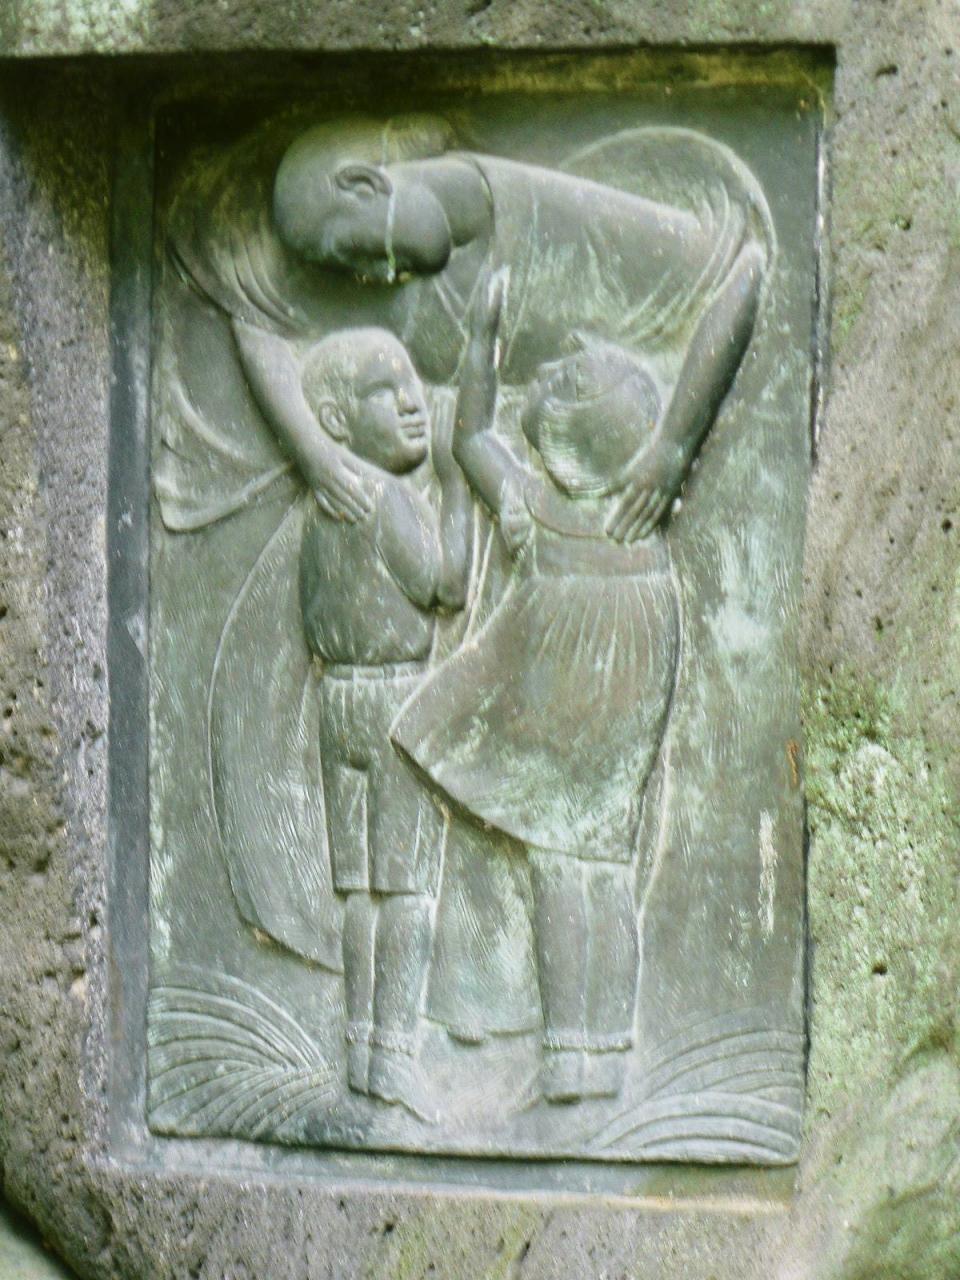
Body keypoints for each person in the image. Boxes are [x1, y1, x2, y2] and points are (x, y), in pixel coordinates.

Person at [393, 251, 763, 1101]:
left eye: (563, 383)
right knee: (602, 866)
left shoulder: (541, 506)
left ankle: (570, 1061)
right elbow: (740, 287)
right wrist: (674, 445)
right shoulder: (643, 501)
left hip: (567, 693)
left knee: (563, 866)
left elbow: (471, 439)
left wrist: (481, 342)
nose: (549, 378)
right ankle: (604, 1051)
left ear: (574, 435)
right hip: (632, 679)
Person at [296, 326, 472, 1115]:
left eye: (413, 384)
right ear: (338, 420)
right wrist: (458, 486)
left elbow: (312, 615)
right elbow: (447, 585)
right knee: (406, 891)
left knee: (361, 891)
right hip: (395, 703)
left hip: (339, 703)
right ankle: (395, 1057)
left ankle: (360, 1050)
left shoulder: (323, 507)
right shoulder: (391, 498)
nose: (412, 402)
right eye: (385, 389)